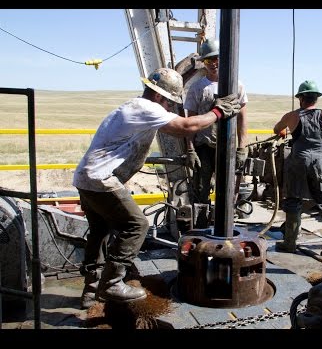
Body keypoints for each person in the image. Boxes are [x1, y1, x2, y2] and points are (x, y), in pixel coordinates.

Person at [73, 67, 241, 308]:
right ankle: (111, 283)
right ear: (162, 97)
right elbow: (185, 126)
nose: (170, 108)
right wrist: (218, 112)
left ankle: (91, 289)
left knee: (100, 230)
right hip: (100, 179)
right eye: (170, 103)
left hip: (85, 178)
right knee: (136, 225)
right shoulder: (147, 108)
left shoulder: (131, 106)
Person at [184, 39, 249, 219]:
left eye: (217, 58)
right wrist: (190, 150)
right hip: (203, 147)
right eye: (208, 60)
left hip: (227, 148)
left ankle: (224, 225)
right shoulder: (197, 88)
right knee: (200, 191)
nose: (213, 63)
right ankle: (201, 228)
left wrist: (242, 148)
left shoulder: (238, 86)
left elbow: (242, 120)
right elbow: (191, 122)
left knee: (227, 191)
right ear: (203, 63)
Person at [272, 80, 322, 253]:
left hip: (299, 161)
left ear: (300, 98)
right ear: (316, 99)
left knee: (293, 200)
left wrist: (283, 131)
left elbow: (277, 129)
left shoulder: (292, 116)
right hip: (320, 161)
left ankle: (290, 243)